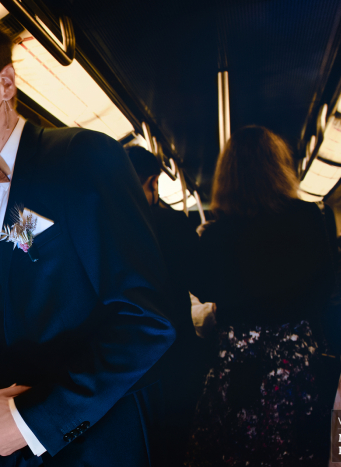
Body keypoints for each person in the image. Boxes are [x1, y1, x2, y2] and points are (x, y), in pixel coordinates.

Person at [0, 16, 175, 466]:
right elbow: (14, 331)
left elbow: (146, 322)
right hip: (21, 447)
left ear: (6, 83)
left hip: (93, 440)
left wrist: (33, 422)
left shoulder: (80, 158)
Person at [185, 126, 335, 466]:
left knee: (236, 448)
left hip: (238, 360)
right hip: (295, 354)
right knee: (301, 445)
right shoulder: (310, 217)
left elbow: (204, 288)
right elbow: (326, 287)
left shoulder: (214, 235)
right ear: (278, 167)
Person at [125, 145, 208, 465]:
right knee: (175, 445)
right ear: (153, 181)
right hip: (174, 356)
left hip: (121, 364)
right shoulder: (171, 223)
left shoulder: (100, 221)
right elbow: (205, 284)